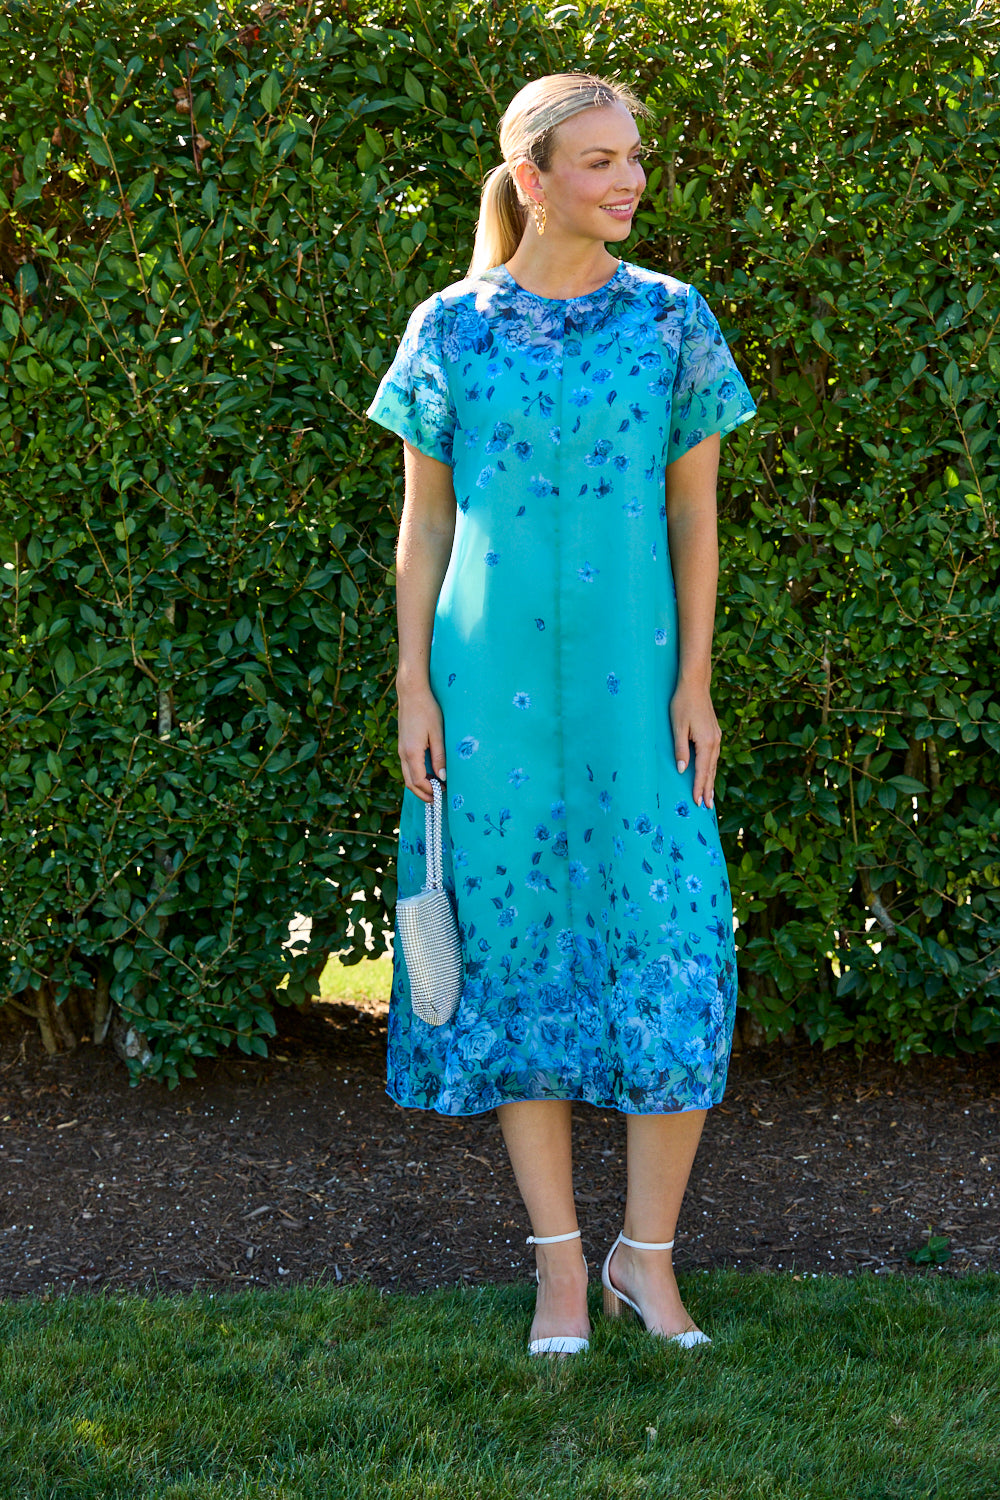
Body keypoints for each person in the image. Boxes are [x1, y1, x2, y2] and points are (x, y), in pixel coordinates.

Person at [365, 71, 756, 1356]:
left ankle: (647, 1261)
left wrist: (695, 681)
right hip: (487, 703)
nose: (630, 178)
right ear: (531, 178)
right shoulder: (449, 328)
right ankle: (555, 1269)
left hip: (635, 689)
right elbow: (424, 521)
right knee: (517, 963)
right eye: (599, 161)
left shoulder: (672, 322)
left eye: (632, 155)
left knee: (677, 954)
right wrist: (412, 683)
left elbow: (694, 512)